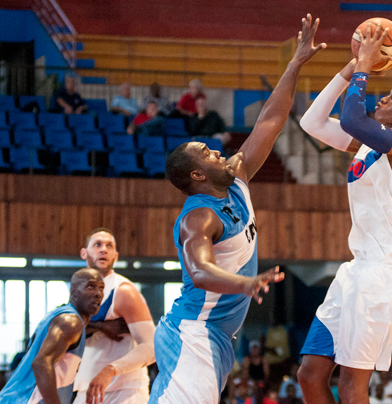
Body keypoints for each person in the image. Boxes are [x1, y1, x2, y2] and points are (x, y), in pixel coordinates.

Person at [149, 15, 325, 403]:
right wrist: (245, 284)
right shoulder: (200, 215)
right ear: (197, 173)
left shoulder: (237, 177)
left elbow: (271, 122)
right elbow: (199, 271)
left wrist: (295, 64)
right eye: (206, 152)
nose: (217, 149)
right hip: (193, 330)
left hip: (216, 336)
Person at [298, 22, 392, 404]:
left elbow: (355, 119)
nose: (382, 97)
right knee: (309, 375)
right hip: (355, 270)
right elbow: (312, 122)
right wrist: (351, 66)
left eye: (391, 96)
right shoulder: (365, 144)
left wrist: (365, 66)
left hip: (383, 276)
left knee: (351, 385)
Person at [74, 228, 155, 404]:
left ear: (116, 256)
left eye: (109, 246)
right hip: (88, 387)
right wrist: (100, 327)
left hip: (124, 390)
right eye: (97, 245)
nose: (103, 249)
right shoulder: (78, 291)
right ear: (84, 253)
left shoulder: (124, 291)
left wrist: (110, 370)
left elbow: (151, 347)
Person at [0, 268, 104, 404]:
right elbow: (41, 363)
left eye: (101, 288)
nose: (98, 293)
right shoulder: (71, 322)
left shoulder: (61, 315)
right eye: (90, 287)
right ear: (73, 291)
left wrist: (104, 327)